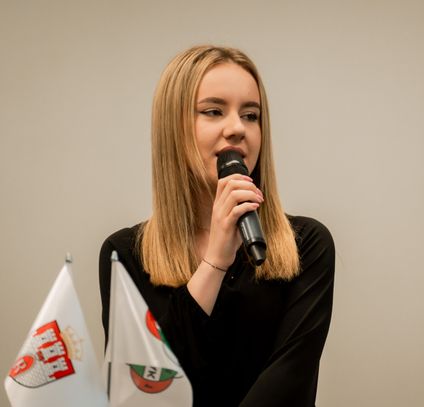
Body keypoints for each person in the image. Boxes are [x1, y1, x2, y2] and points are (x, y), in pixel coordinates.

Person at [99, 45, 335, 407]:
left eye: (251, 115)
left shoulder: (307, 244)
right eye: (213, 111)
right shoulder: (125, 254)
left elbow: (289, 385)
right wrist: (215, 261)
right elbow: (151, 387)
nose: (237, 128)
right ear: (174, 128)